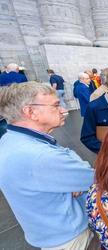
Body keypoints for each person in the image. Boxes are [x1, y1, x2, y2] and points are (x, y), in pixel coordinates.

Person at [0, 82, 94, 249]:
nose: (64, 110)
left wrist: (68, 175)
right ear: (30, 112)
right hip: (71, 238)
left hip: (47, 234)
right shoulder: (40, 156)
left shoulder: (10, 139)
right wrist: (70, 173)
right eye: (56, 105)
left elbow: (65, 160)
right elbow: (91, 177)